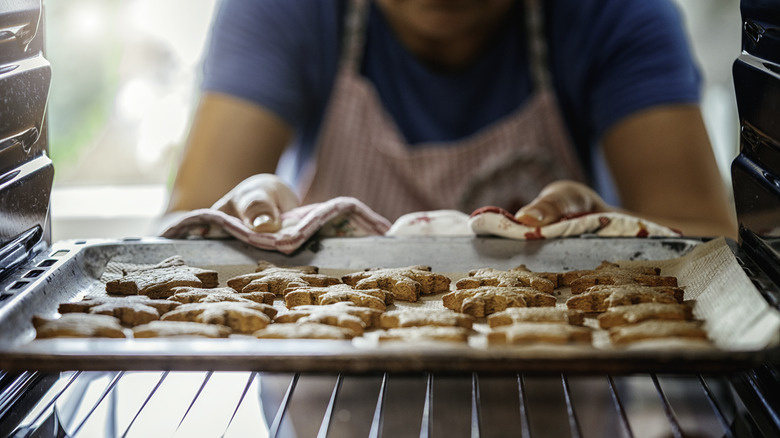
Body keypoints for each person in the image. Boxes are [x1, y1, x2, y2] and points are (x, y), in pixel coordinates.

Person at [165, 0, 737, 239]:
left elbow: (708, 247)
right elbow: (183, 236)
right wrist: (240, 221)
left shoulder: (614, 12)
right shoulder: (281, 11)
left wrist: (608, 237)